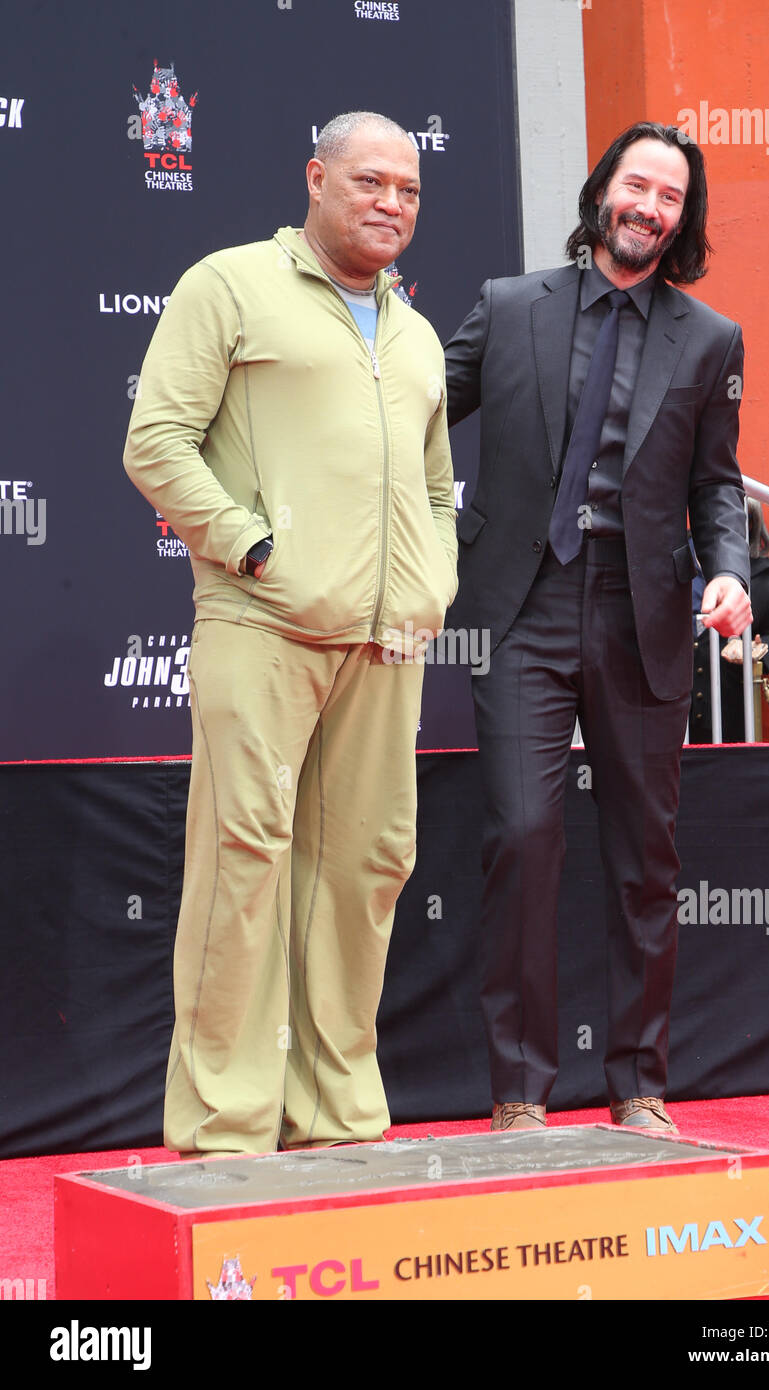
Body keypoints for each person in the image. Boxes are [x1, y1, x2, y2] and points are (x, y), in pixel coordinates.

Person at [123, 111, 457, 1157]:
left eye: (407, 188)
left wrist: (429, 582)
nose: (390, 203)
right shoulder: (229, 285)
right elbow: (157, 440)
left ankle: (337, 1117)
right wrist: (253, 548)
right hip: (258, 621)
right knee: (244, 860)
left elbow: (441, 488)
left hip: (386, 644)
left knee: (367, 867)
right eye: (368, 181)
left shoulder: (414, 332)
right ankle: (225, 1126)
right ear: (315, 177)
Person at [444, 121, 752, 1133]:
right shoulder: (507, 306)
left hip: (643, 617)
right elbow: (410, 407)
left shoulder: (709, 341)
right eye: (637, 185)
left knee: (642, 857)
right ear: (603, 191)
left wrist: (731, 574)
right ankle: (520, 1092)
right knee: (525, 837)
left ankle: (637, 1083)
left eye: (670, 196)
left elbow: (717, 486)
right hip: (520, 609)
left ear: (682, 218)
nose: (650, 207)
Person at [689, 499, 769, 742]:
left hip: (732, 701)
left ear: (751, 525)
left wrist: (758, 651)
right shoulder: (676, 560)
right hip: (677, 700)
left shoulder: (765, 574)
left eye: (741, 518)